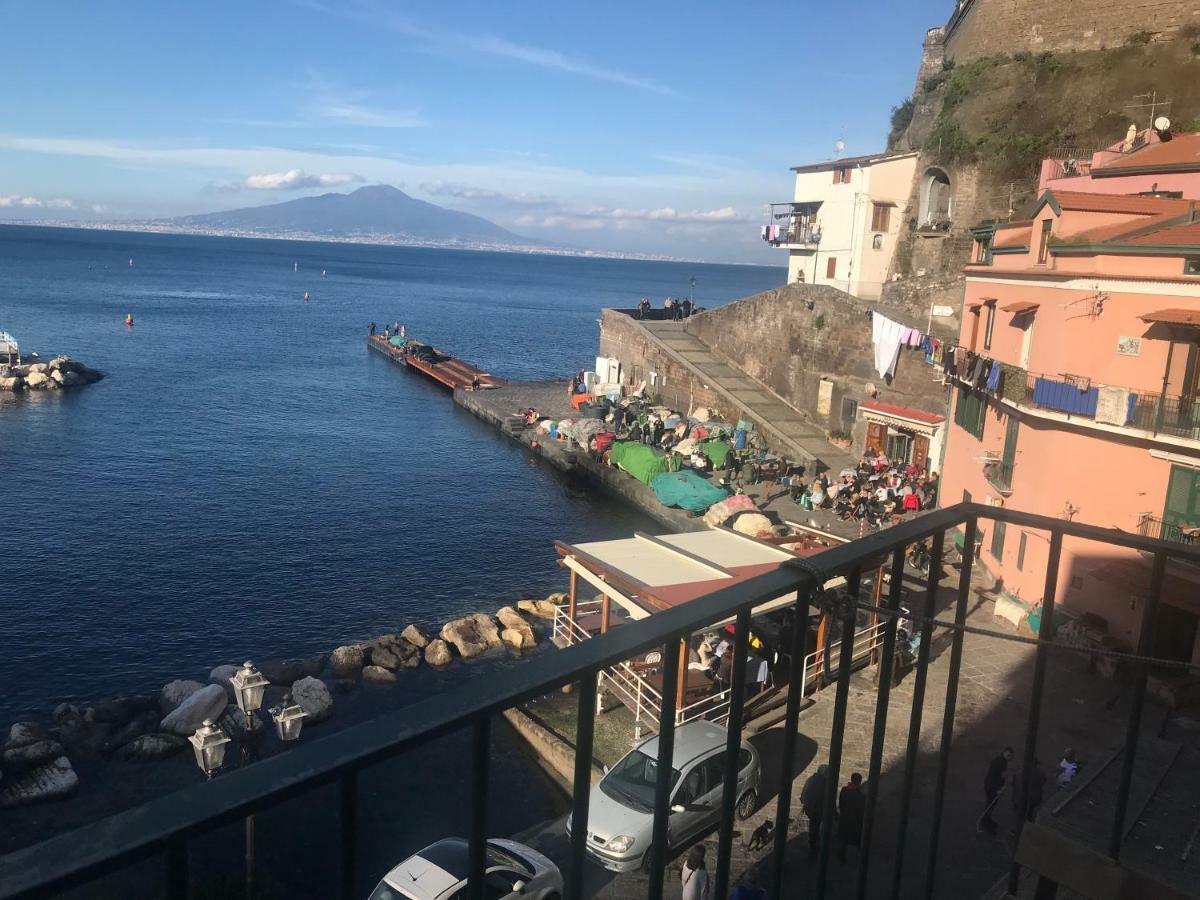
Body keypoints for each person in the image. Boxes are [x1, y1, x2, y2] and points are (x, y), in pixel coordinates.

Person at [980, 746, 1013, 833]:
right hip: (992, 787)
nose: (1010, 758)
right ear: (1005, 752)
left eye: (1011, 756)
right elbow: (1002, 775)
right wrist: (998, 789)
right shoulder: (1002, 762)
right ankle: (986, 823)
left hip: (990, 785)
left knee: (990, 803)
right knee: (991, 804)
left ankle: (987, 819)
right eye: (1009, 755)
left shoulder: (1000, 760)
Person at [800, 764, 829, 858]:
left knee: (814, 824)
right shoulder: (827, 783)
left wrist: (804, 801)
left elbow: (804, 792)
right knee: (817, 824)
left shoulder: (811, 780)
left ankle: (813, 840)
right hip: (819, 809)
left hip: (811, 808)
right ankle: (815, 841)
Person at [837, 773, 866, 862]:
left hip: (844, 819)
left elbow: (840, 805)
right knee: (856, 839)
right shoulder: (861, 796)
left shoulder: (844, 790)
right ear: (860, 782)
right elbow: (862, 811)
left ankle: (842, 859)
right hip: (855, 821)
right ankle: (857, 858)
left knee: (844, 840)